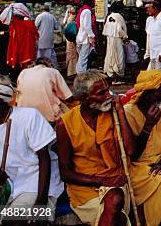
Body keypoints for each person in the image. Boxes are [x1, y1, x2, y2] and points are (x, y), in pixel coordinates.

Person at [56, 70, 136, 226]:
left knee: (114, 199)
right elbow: (65, 173)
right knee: (115, 204)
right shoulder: (65, 124)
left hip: (116, 178)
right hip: (85, 187)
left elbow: (131, 151)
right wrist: (104, 181)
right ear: (84, 98)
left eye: (108, 90)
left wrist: (120, 111)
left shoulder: (113, 113)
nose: (108, 96)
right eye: (101, 93)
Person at [0, 76, 64, 218]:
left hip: (33, 181)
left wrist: (41, 203)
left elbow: (44, 158)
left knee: (15, 218)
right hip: (4, 183)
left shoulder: (28, 116)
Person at [124, 70, 161, 226]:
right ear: (148, 94)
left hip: (159, 164)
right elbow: (133, 155)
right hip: (136, 169)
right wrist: (148, 126)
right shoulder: (128, 113)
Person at [15, 57, 73, 122]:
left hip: (23, 115)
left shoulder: (23, 72)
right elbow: (68, 97)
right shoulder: (52, 71)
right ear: (50, 65)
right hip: (48, 116)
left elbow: (17, 99)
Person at [103, 2, 128, 82]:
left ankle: (111, 73)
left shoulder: (109, 16)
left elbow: (105, 29)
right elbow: (120, 29)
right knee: (118, 56)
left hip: (110, 39)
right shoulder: (119, 17)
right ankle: (117, 75)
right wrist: (125, 37)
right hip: (117, 39)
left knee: (110, 55)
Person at [35, 4, 60, 68]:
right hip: (50, 40)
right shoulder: (52, 17)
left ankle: (41, 69)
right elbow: (56, 27)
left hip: (41, 39)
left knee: (40, 56)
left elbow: (35, 26)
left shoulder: (40, 16)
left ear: (42, 10)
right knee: (51, 55)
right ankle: (54, 68)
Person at [76, 0, 97, 74]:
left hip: (81, 36)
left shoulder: (82, 10)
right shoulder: (87, 11)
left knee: (81, 57)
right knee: (83, 58)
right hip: (85, 38)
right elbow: (87, 26)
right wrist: (91, 36)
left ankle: (80, 73)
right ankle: (81, 75)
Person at [64, 6, 78, 77]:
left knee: (70, 55)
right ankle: (71, 72)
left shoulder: (69, 18)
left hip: (69, 39)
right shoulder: (72, 19)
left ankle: (71, 71)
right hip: (71, 39)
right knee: (73, 55)